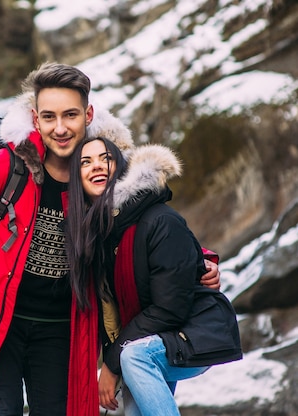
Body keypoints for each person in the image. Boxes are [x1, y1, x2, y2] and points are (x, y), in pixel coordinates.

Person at [0, 62, 220, 416]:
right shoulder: (2, 169)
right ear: (36, 119)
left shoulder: (102, 171)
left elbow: (148, 220)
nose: (60, 128)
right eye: (49, 117)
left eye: (70, 115)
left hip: (63, 331)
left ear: (88, 114)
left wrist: (198, 260)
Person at [64, 134, 228, 415]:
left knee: (134, 357)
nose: (97, 166)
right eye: (85, 162)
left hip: (186, 334)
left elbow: (170, 308)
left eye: (106, 159)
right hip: (144, 338)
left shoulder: (158, 220)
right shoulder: (96, 236)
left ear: (122, 169)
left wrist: (112, 364)